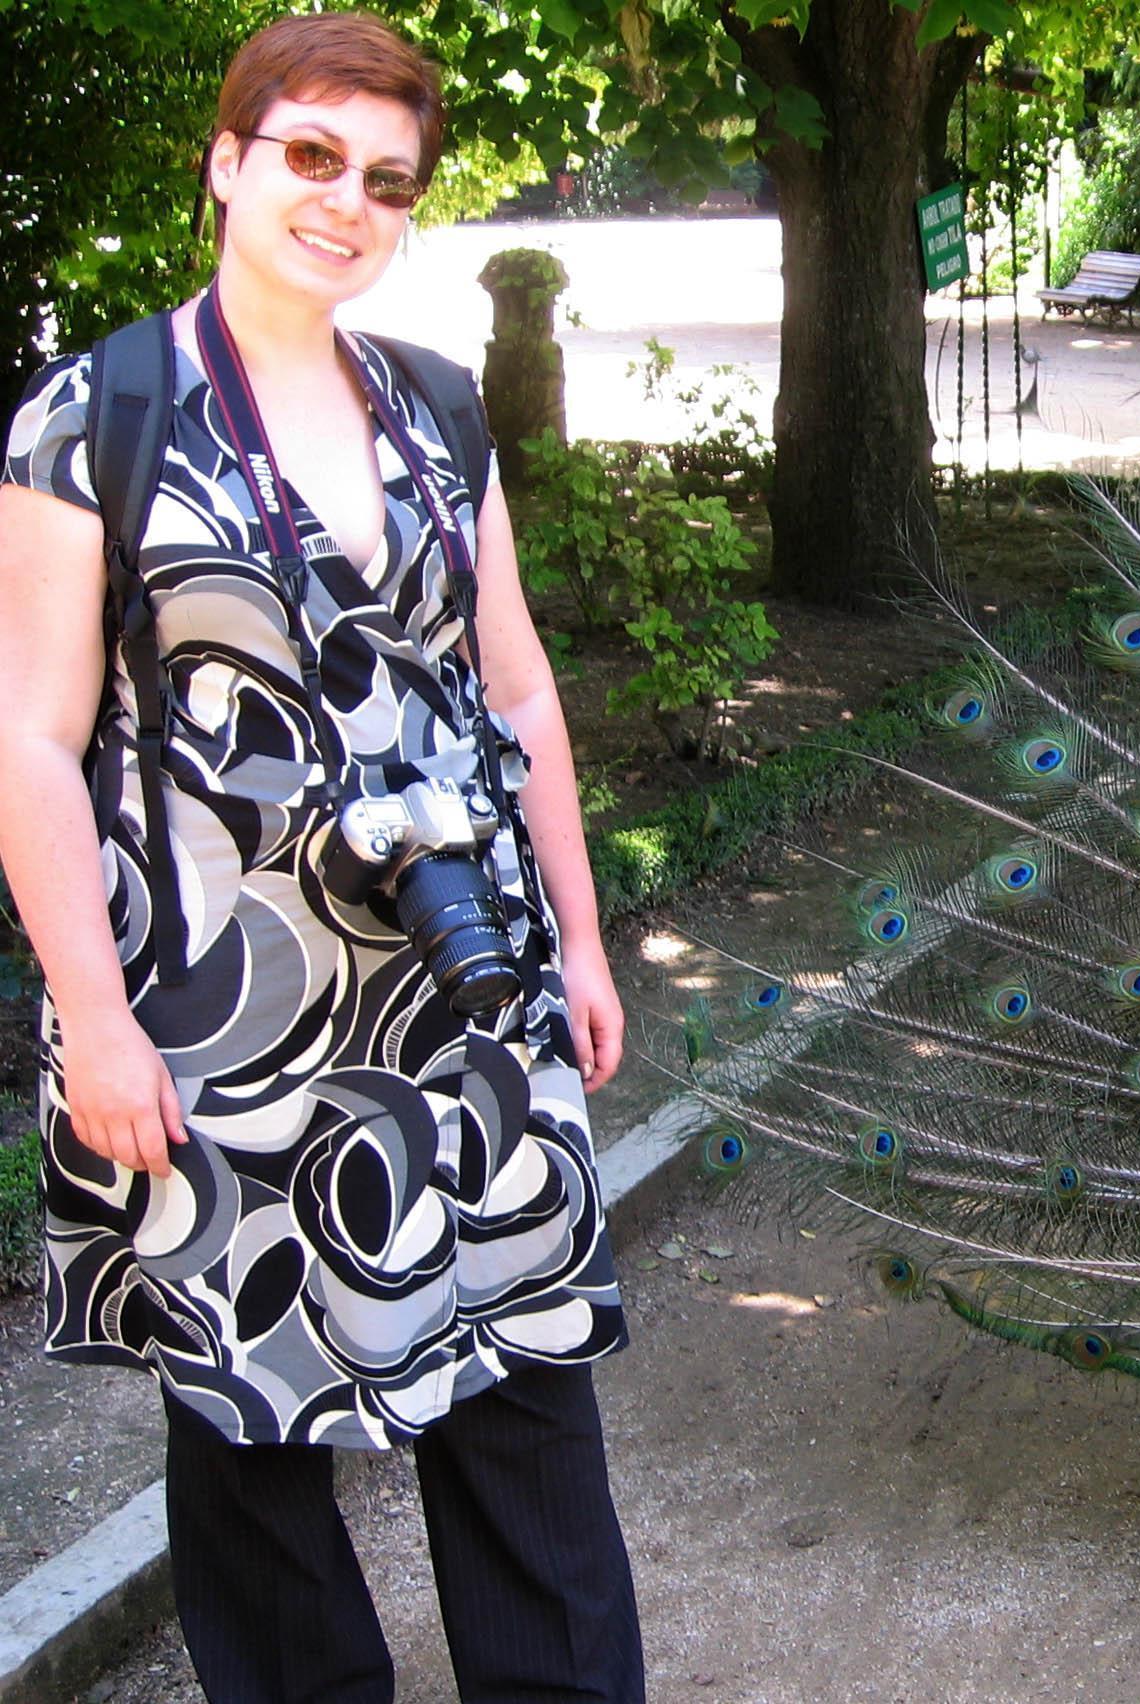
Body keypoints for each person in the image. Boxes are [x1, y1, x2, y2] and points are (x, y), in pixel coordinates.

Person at [0, 13, 643, 1701]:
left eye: (383, 179)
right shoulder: (96, 414)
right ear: (226, 159)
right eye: (307, 156)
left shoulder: (437, 407)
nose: (342, 201)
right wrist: (93, 1015)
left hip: (457, 989)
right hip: (217, 1016)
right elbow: (28, 737)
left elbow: (513, 677)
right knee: (251, 1439)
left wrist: (576, 936)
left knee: (525, 1397)